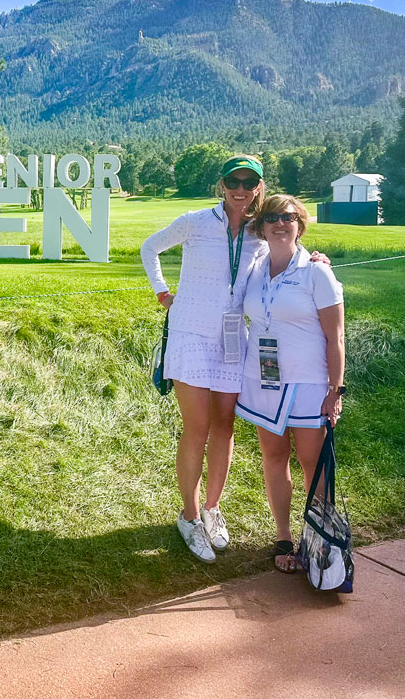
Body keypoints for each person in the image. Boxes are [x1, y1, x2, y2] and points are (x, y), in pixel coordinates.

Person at [141, 155, 268, 563]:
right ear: (222, 184)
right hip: (190, 334)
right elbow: (150, 247)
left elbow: (283, 257)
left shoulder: (260, 231)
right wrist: (162, 292)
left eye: (248, 182)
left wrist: (314, 260)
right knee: (197, 427)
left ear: (258, 187)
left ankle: (213, 509)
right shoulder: (195, 221)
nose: (240, 189)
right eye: (234, 181)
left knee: (224, 427)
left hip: (232, 338)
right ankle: (190, 516)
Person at [235, 195, 344, 572]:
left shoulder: (317, 272)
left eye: (288, 217)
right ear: (261, 226)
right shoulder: (254, 268)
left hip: (309, 384)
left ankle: (320, 540)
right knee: (274, 457)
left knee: (312, 462)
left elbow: (336, 337)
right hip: (264, 381)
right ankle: (283, 537)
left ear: (300, 225)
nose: (279, 224)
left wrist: (335, 390)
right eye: (271, 217)